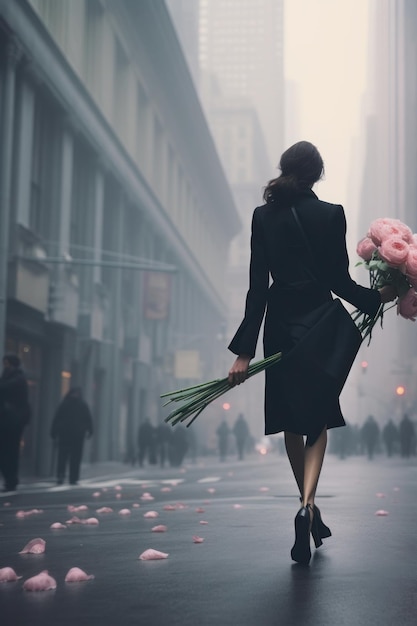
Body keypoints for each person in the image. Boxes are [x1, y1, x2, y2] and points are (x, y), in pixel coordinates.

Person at [227, 141, 397, 564]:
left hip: (280, 325)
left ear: (285, 169)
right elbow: (339, 281)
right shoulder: (331, 214)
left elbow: (256, 289)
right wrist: (381, 297)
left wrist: (244, 352)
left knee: (289, 418)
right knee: (317, 416)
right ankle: (307, 505)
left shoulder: (262, 217)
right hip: (319, 324)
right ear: (317, 175)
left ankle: (308, 506)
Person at [0, 354, 31, 492]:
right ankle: (9, 479)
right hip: (7, 419)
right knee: (6, 451)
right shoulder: (8, 376)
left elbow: (5, 388)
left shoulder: (18, 378)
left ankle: (11, 480)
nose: (5, 366)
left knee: (10, 451)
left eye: (7, 364)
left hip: (13, 421)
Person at [50, 387, 93, 485]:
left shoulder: (66, 404)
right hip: (75, 435)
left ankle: (65, 476)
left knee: (65, 457)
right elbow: (88, 419)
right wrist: (89, 430)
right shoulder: (81, 404)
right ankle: (71, 477)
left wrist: (54, 432)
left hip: (67, 434)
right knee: (73, 457)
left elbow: (57, 418)